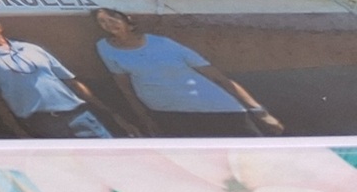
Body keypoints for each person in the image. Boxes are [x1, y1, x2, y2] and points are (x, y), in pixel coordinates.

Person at [91, 8, 279, 137]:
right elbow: (125, 87)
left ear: (128, 20)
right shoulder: (105, 47)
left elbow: (218, 77)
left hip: (217, 109)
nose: (108, 24)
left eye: (112, 18)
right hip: (167, 113)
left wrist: (260, 112)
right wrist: (145, 118)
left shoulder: (163, 43)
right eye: (102, 21)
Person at [0, 14, 112, 138]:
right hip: (44, 122)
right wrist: (19, 132)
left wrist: (105, 110)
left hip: (79, 115)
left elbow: (71, 81)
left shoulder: (30, 48)